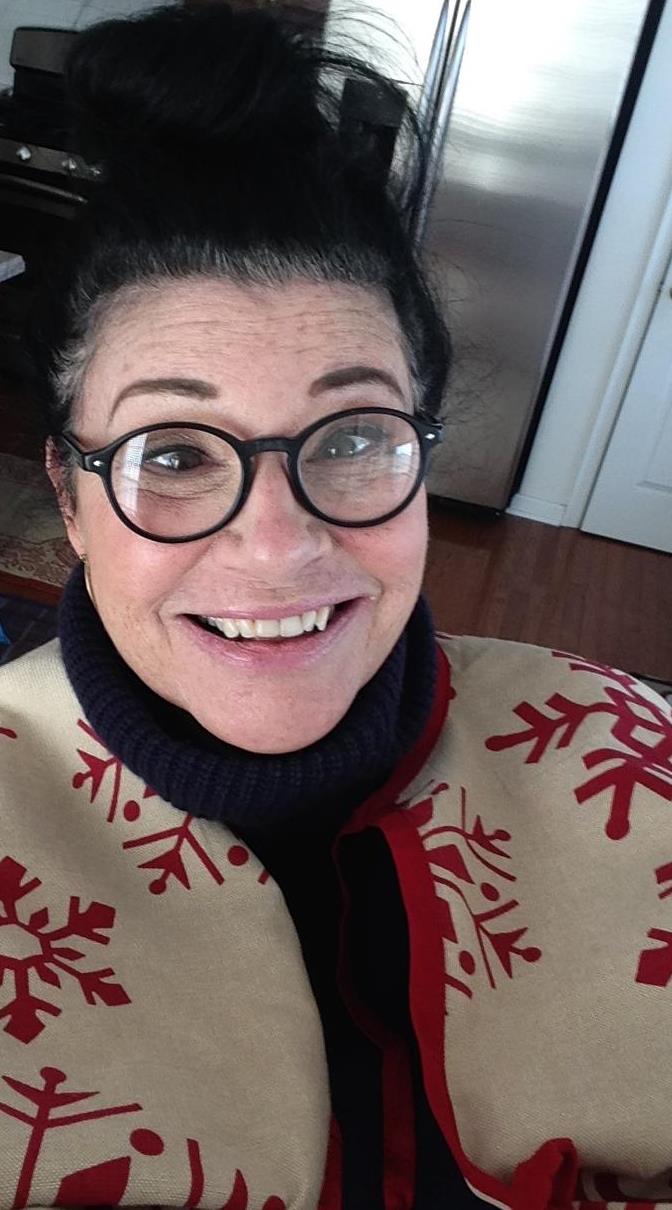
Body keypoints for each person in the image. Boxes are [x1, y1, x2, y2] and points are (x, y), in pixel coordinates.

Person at [0, 3, 671, 1207]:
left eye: (353, 437)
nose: (278, 545)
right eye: (174, 453)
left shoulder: (632, 748)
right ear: (70, 493)